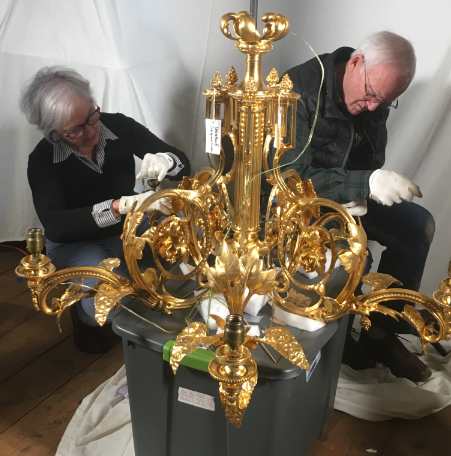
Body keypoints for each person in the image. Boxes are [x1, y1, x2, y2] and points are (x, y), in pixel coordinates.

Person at [273, 32, 435, 382]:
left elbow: (373, 159)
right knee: (355, 252)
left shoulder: (374, 95)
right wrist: (366, 185)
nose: (375, 107)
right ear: (356, 63)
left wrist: (366, 188)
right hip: (300, 204)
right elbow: (291, 177)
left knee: (418, 226)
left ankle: (381, 333)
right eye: (372, 95)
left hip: (350, 194)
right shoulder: (297, 90)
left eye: (385, 102)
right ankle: (342, 338)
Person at [20, 66, 191, 354]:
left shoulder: (119, 126)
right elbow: (57, 226)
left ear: (93, 103)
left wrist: (167, 160)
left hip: (129, 224)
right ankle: (85, 314)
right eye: (75, 130)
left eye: (91, 117)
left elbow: (183, 163)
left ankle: (151, 304)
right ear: (54, 131)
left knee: (190, 237)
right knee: (113, 302)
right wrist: (117, 206)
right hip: (76, 241)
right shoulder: (42, 159)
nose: (90, 133)